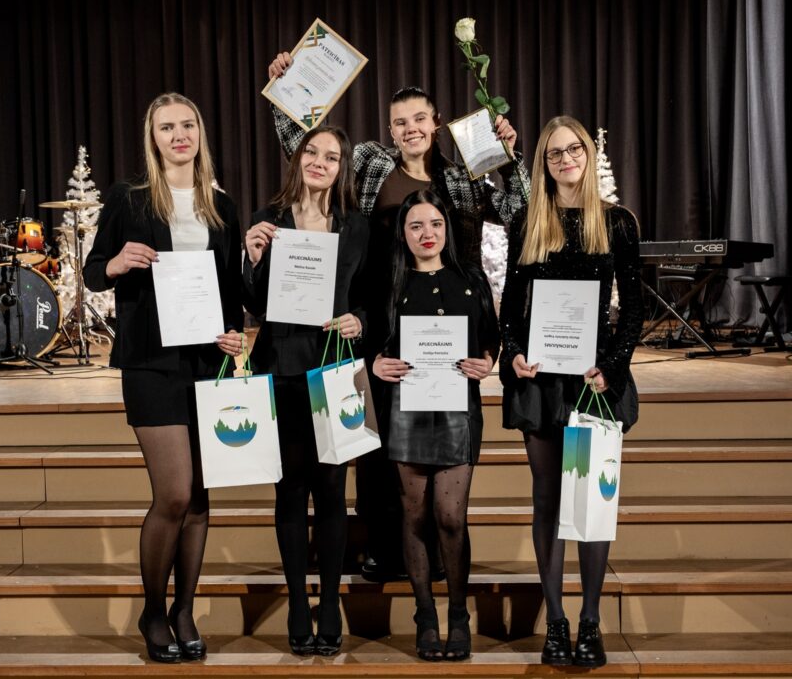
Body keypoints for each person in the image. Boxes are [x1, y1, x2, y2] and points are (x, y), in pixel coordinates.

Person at [268, 51, 529, 582]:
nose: (411, 129)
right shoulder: (370, 163)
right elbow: (305, 151)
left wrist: (507, 158)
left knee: (441, 437)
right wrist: (284, 92)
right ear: (390, 129)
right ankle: (383, 545)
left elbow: (517, 211)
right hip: (382, 318)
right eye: (400, 122)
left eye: (420, 119)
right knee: (377, 438)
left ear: (437, 123)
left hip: (447, 326)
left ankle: (438, 546)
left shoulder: (463, 176)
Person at [83, 92, 244, 664]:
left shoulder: (221, 204)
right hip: (151, 361)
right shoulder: (129, 197)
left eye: (188, 125)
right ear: (152, 138)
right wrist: (116, 263)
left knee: (199, 499)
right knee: (174, 493)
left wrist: (234, 333)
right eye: (167, 127)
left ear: (200, 132)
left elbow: (230, 289)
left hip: (206, 361)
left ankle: (184, 610)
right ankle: (153, 610)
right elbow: (93, 272)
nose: (180, 135)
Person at [499, 116, 642, 668]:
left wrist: (613, 367)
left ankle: (590, 622)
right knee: (548, 499)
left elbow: (634, 308)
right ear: (544, 163)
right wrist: (514, 351)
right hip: (542, 380)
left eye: (574, 149)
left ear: (587, 153)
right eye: (555, 153)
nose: (565, 160)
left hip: (593, 379)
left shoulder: (617, 223)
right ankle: (556, 622)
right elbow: (512, 306)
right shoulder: (528, 220)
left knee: (592, 501)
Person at [241, 125, 369, 657]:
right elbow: (252, 303)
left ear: (342, 168)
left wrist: (359, 320)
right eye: (311, 152)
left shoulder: (356, 226)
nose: (320, 162)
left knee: (333, 492)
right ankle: (298, 602)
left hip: (335, 370)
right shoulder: (268, 221)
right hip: (282, 368)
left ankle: (330, 602)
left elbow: (370, 296)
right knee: (290, 491)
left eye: (332, 156)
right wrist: (252, 258)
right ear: (297, 159)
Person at [372, 190, 498, 661]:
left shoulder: (471, 278)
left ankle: (458, 615)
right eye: (416, 226)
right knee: (415, 516)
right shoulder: (390, 281)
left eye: (436, 224)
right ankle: (425, 616)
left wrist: (488, 361)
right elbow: (373, 340)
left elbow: (491, 340)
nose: (428, 234)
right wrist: (375, 362)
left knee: (449, 516)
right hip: (406, 407)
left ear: (447, 228)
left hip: (457, 408)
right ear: (403, 234)